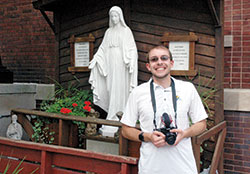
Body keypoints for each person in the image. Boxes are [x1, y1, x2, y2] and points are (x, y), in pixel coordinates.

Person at [121, 45, 207, 174]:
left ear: (171, 63)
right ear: (148, 66)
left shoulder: (187, 88)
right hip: (150, 168)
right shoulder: (138, 92)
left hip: (183, 166)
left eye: (164, 58)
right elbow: (126, 130)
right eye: (154, 59)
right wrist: (148, 136)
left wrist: (184, 133)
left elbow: (202, 124)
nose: (159, 62)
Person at [89, 6, 138, 136]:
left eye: (116, 16)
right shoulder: (108, 32)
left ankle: (121, 116)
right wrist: (96, 59)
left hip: (121, 65)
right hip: (110, 64)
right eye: (112, 16)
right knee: (110, 89)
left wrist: (131, 61)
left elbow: (132, 48)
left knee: (120, 89)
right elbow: (103, 49)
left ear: (120, 17)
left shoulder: (126, 31)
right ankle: (111, 116)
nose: (114, 19)